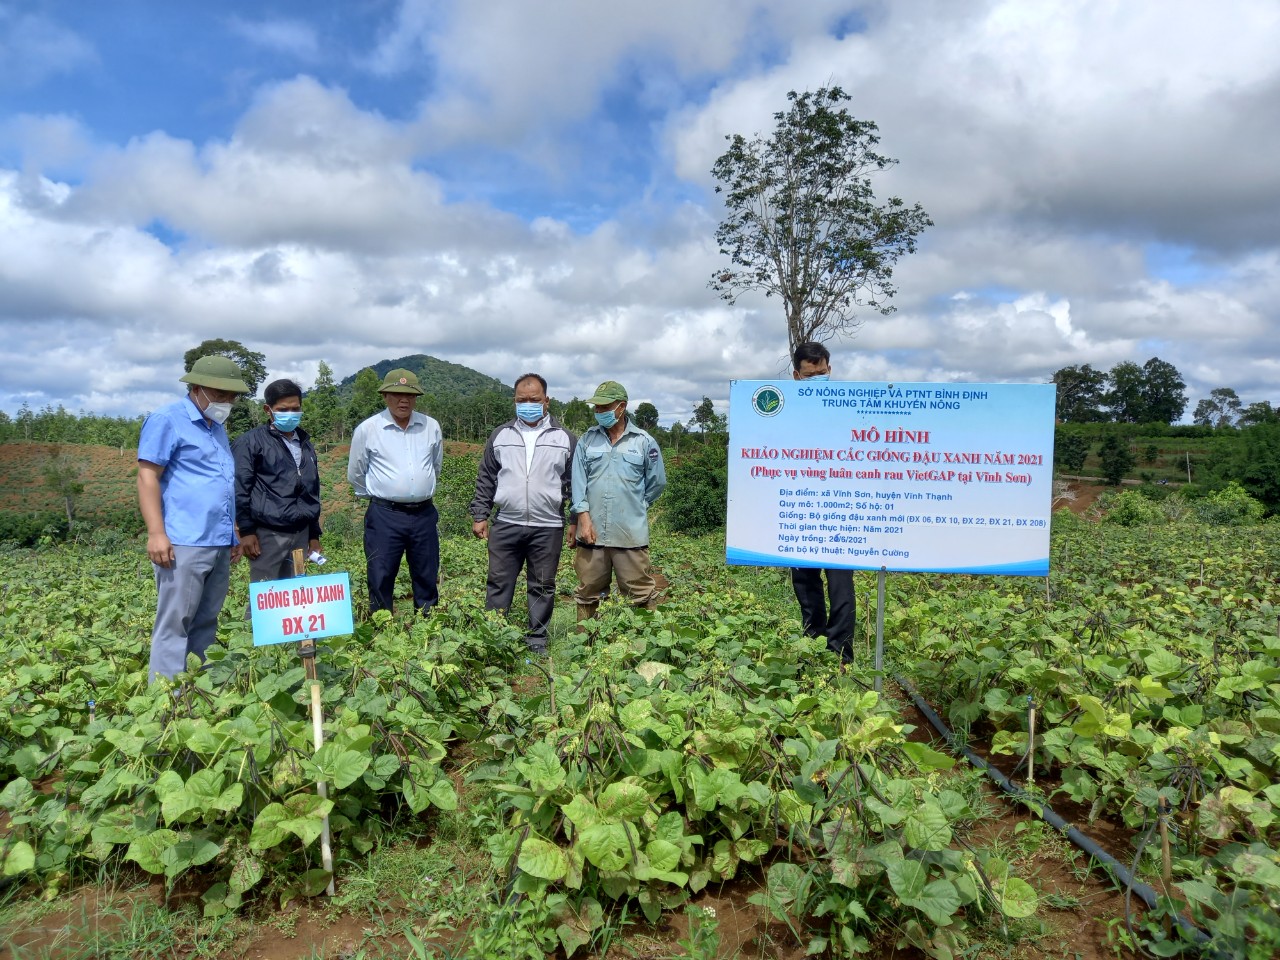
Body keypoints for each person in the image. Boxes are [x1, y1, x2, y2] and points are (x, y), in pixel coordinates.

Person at [137, 354, 250, 680]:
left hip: (217, 541)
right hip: (183, 541)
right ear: (197, 388)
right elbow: (147, 477)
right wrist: (156, 533)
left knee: (206, 620)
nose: (226, 401)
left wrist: (233, 533)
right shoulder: (167, 420)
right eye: (220, 394)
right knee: (175, 623)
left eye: (232, 396)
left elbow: (219, 485)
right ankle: (166, 702)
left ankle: (199, 693)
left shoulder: (216, 428)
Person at [469, 373, 577, 654]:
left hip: (548, 525)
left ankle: (537, 640)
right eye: (522, 400)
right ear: (514, 401)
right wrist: (481, 514)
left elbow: (575, 483)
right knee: (499, 581)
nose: (528, 404)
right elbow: (487, 477)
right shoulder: (501, 435)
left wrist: (576, 520)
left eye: (534, 399)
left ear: (547, 400)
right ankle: (496, 635)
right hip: (506, 522)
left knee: (542, 584)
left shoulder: (565, 439)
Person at [347, 368, 443, 615]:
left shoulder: (430, 426)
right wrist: (380, 495)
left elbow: (435, 465)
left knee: (426, 572)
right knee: (381, 573)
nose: (404, 400)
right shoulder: (368, 429)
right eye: (397, 395)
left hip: (423, 513)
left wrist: (418, 489)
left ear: (416, 398)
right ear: (385, 396)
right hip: (385, 515)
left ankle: (427, 627)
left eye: (410, 395)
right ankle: (381, 632)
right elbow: (356, 472)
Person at [571, 380, 666, 619]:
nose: (598, 412)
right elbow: (578, 483)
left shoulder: (643, 442)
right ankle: (586, 648)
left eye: (604, 407)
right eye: (597, 408)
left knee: (640, 595)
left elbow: (657, 482)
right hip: (592, 534)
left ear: (621, 407)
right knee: (588, 593)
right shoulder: (587, 441)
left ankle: (640, 650)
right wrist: (583, 518)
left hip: (629, 534)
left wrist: (639, 505)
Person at [790, 341, 855, 661]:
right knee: (805, 579)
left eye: (823, 372)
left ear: (830, 370)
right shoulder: (786, 414)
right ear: (796, 375)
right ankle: (814, 641)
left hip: (841, 510)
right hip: (801, 508)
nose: (818, 377)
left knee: (841, 582)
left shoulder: (847, 410)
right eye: (811, 373)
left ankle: (841, 651)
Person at [232, 379, 322, 586]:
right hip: (267, 536)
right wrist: (246, 532)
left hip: (300, 535)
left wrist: (313, 534)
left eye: (295, 408)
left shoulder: (305, 444)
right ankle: (252, 621)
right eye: (283, 409)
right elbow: (239, 489)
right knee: (266, 592)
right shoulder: (250, 443)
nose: (290, 414)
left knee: (297, 590)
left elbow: (311, 491)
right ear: (268, 410)